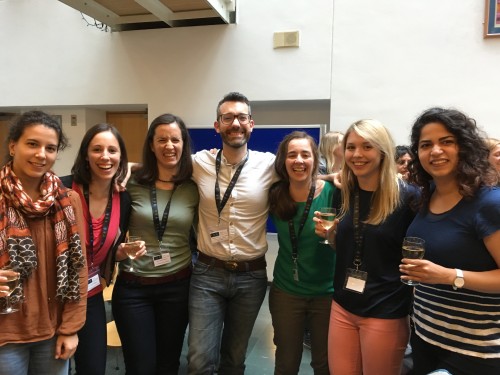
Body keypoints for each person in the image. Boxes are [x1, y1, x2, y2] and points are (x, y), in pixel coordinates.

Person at [315, 119, 419, 375]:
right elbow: (351, 248)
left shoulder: (408, 198)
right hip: (343, 305)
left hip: (385, 311)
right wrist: (331, 237)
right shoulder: (348, 192)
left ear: (383, 151)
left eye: (367, 146)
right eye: (351, 147)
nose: (357, 154)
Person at [401, 108, 500, 375]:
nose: (435, 151)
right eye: (426, 145)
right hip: (425, 337)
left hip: (474, 350)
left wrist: (450, 276)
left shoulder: (488, 203)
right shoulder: (426, 196)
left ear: (464, 147)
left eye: (446, 142)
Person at [188, 92, 278, 375]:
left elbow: (304, 171)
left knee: (234, 359)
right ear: (218, 126)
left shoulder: (270, 165)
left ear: (251, 124)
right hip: (207, 274)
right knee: (200, 359)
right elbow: (158, 167)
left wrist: (332, 177)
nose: (235, 123)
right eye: (228, 118)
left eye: (241, 117)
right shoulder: (198, 163)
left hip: (250, 277)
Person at [0, 110, 87, 375]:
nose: (41, 154)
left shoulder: (67, 201)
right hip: (5, 334)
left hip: (53, 332)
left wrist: (70, 329)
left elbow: (78, 269)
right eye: (32, 144)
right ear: (13, 146)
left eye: (50, 148)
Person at [112, 113, 199, 375]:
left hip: (177, 287)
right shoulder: (131, 182)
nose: (168, 146)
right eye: (161, 139)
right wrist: (120, 251)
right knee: (140, 367)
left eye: (175, 139)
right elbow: (112, 232)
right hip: (134, 287)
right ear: (151, 144)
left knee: (168, 364)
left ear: (184, 144)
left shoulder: (194, 185)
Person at [60, 123, 131, 375]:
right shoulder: (62, 190)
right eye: (97, 149)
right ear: (85, 154)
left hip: (90, 295)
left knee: (93, 368)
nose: (105, 156)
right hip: (53, 297)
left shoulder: (122, 198)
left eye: (113, 150)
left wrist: (117, 253)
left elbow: (106, 242)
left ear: (121, 157)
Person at [268, 131, 336, 375]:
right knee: (286, 362)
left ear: (315, 160)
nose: (299, 160)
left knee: (324, 363)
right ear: (283, 161)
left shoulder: (333, 191)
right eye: (292, 155)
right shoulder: (275, 193)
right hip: (287, 292)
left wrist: (332, 236)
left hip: (327, 294)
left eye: (305, 155)